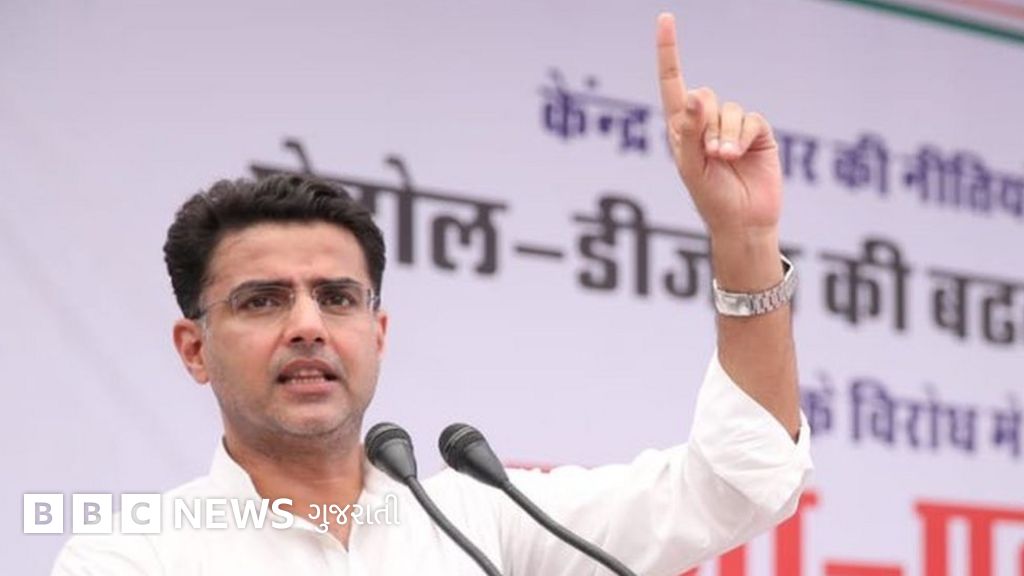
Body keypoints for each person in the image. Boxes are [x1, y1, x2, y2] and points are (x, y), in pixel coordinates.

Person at [52, 13, 811, 575]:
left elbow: (740, 482)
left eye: (337, 298)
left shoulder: (481, 521)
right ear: (194, 349)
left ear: (378, 334)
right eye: (263, 301)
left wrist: (742, 239)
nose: (308, 326)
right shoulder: (133, 555)